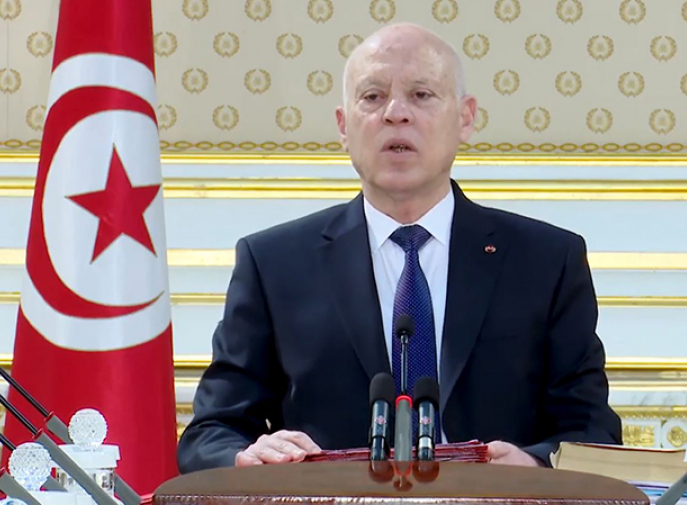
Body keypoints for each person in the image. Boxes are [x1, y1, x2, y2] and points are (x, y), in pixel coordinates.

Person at [177, 22, 621, 473]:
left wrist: (533, 465)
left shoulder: (546, 261)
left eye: (421, 94)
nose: (395, 113)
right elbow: (210, 433)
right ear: (343, 125)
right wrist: (247, 455)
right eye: (372, 97)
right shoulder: (274, 264)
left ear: (465, 118)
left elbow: (594, 432)